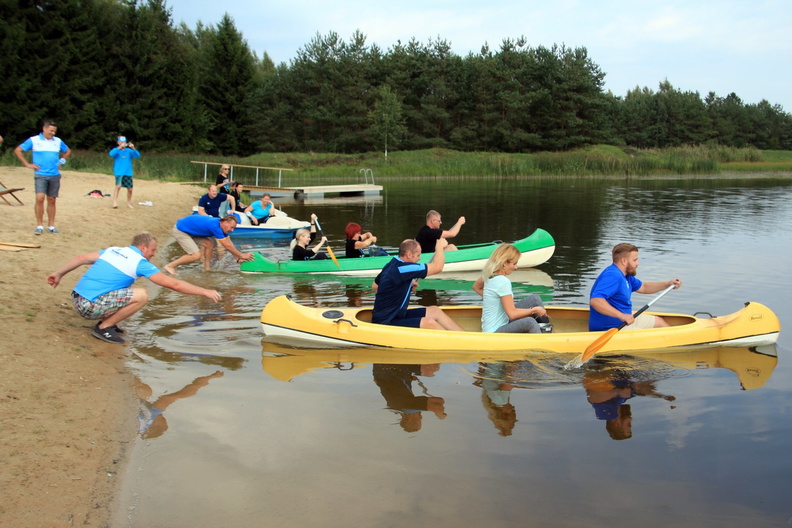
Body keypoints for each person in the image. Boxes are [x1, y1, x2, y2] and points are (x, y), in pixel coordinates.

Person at [46, 232, 223, 344]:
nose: (153, 254)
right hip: (88, 306)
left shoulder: (113, 250)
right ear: (143, 247)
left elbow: (81, 257)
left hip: (78, 298)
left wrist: (59, 274)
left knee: (125, 290)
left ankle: (109, 323)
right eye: (152, 250)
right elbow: (173, 284)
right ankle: (103, 328)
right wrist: (204, 291)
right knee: (141, 295)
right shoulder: (140, 262)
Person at [371, 238, 465, 330]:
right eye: (418, 255)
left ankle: (465, 337)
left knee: (435, 311)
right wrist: (439, 247)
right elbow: (438, 267)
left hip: (398, 315)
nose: (419, 258)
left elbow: (375, 286)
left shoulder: (392, 264)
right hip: (386, 322)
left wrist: (404, 284)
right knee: (429, 323)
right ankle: (457, 343)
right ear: (409, 254)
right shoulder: (404, 269)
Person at [589, 243, 682, 331]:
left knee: (659, 322)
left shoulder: (626, 276)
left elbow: (644, 287)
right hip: (612, 328)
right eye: (635, 260)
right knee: (650, 335)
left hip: (626, 320)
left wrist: (667, 284)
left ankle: (677, 343)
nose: (638, 263)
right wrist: (621, 316)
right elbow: (596, 300)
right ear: (624, 261)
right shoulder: (613, 276)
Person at [472, 243, 548, 333]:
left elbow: (476, 287)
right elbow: (512, 314)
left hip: (503, 320)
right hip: (495, 331)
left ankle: (546, 329)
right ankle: (543, 340)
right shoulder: (503, 282)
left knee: (534, 299)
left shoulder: (489, 274)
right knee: (529, 322)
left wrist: (493, 300)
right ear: (504, 263)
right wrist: (534, 310)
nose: (516, 267)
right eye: (514, 263)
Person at [14, 119, 71, 234]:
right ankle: (39, 225)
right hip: (40, 174)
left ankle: (51, 225)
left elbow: (68, 151)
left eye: (54, 131)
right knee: (39, 198)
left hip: (54, 174)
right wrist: (27, 164)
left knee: (52, 200)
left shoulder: (58, 141)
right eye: (51, 131)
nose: (52, 133)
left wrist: (62, 160)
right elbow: (18, 150)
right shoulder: (34, 140)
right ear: (44, 129)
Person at [164, 214, 254, 274]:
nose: (232, 230)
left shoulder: (222, 227)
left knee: (209, 244)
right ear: (225, 222)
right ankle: (170, 266)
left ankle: (207, 269)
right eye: (231, 227)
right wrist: (242, 254)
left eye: (233, 228)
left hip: (191, 230)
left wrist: (237, 258)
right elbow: (226, 246)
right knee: (195, 255)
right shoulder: (215, 226)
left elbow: (229, 243)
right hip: (181, 230)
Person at [373, 363, 446, 433]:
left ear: (410, 417)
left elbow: (439, 403)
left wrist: (440, 415)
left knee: (430, 371)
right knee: (422, 370)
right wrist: (407, 378)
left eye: (420, 418)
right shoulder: (396, 405)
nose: (420, 414)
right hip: (385, 369)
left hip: (392, 366)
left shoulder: (408, 408)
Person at [108, 135, 140, 209]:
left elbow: (137, 155)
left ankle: (128, 203)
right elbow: (111, 154)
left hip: (128, 172)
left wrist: (133, 148)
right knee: (118, 186)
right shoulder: (116, 150)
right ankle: (114, 202)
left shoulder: (129, 151)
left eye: (124, 142)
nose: (123, 143)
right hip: (119, 171)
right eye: (121, 142)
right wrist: (119, 148)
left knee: (130, 189)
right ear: (118, 142)